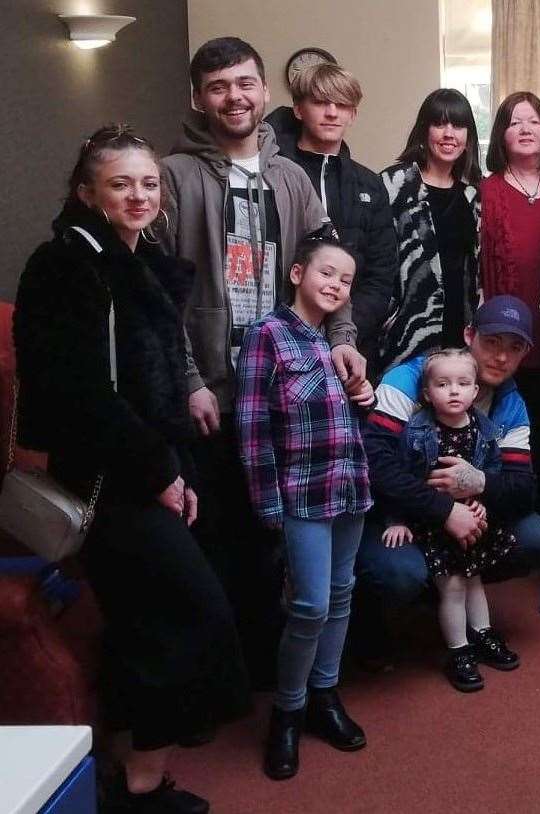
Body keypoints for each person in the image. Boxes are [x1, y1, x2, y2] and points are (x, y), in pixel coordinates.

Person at [15, 125, 250, 814]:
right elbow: (82, 395)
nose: (140, 195)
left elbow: (151, 374)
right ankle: (140, 788)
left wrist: (169, 461)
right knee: (185, 615)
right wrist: (159, 473)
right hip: (109, 480)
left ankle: (132, 775)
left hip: (146, 464)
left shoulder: (133, 255)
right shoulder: (64, 265)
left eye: (149, 183)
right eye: (121, 183)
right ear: (87, 192)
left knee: (146, 622)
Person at [161, 36, 363, 690]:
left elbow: (330, 267)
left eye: (244, 83)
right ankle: (233, 687)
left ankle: (292, 683)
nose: (234, 97)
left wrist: (343, 336)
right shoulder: (174, 177)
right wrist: (189, 380)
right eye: (218, 87)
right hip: (213, 399)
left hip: (288, 393)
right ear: (199, 97)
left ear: (264, 92)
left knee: (285, 549)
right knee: (225, 546)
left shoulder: (289, 177)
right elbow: (157, 298)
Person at [236, 237, 374, 780]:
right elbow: (251, 428)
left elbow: (342, 423)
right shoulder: (267, 336)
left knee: (341, 596)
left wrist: (361, 398)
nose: (336, 285)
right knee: (310, 605)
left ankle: (325, 695)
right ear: (298, 272)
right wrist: (267, 501)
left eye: (346, 280)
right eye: (327, 272)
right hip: (301, 495)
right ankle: (287, 711)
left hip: (349, 488)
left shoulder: (336, 346)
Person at [358, 297, 540, 666]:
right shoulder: (413, 378)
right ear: (469, 335)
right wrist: (444, 509)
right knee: (399, 574)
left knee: (538, 539)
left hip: (470, 510)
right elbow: (373, 463)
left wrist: (480, 482)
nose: (501, 357)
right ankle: (391, 607)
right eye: (492, 342)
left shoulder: (511, 403)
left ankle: (465, 605)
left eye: (513, 348)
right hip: (399, 512)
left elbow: (522, 488)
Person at [380, 349, 521, 692]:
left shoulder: (483, 428)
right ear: (427, 393)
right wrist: (395, 519)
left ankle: (483, 635)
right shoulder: (416, 432)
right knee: (454, 587)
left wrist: (484, 501)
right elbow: (399, 477)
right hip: (433, 522)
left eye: (462, 384)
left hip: (470, 520)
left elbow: (493, 472)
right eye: (443, 384)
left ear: (476, 391)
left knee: (474, 581)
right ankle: (459, 651)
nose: (454, 391)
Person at [478, 91, 540, 508]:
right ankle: (523, 519)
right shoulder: (488, 190)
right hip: (512, 333)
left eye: (533, 120)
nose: (524, 129)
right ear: (501, 134)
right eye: (514, 121)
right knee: (521, 430)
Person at [266, 61, 398, 364]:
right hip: (281, 340)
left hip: (352, 346)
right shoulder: (274, 174)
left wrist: (346, 333)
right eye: (320, 102)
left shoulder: (369, 184)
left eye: (341, 104)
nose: (331, 112)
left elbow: (380, 274)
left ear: (353, 114)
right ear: (299, 109)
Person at [378, 89, 484, 372]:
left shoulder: (474, 195)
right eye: (439, 123)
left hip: (459, 335)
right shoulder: (393, 184)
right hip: (406, 335)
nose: (449, 133)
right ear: (424, 131)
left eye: (458, 125)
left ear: (468, 137)